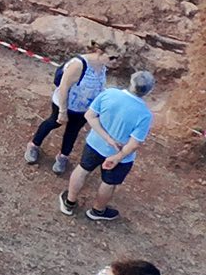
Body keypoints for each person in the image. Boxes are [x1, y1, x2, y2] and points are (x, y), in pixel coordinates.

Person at [61, 71, 155, 221]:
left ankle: (69, 202)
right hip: (121, 156)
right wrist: (118, 157)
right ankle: (98, 211)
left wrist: (107, 138)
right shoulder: (145, 115)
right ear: (149, 91)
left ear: (131, 81)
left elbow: (89, 116)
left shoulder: (109, 93)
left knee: (83, 169)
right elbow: (134, 144)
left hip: (95, 144)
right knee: (108, 183)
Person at [25, 44, 112, 174]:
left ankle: (63, 156)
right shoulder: (79, 64)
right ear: (100, 52)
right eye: (112, 57)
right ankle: (34, 145)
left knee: (73, 131)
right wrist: (63, 111)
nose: (115, 61)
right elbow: (64, 87)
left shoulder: (103, 67)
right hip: (65, 105)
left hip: (83, 109)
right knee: (53, 122)